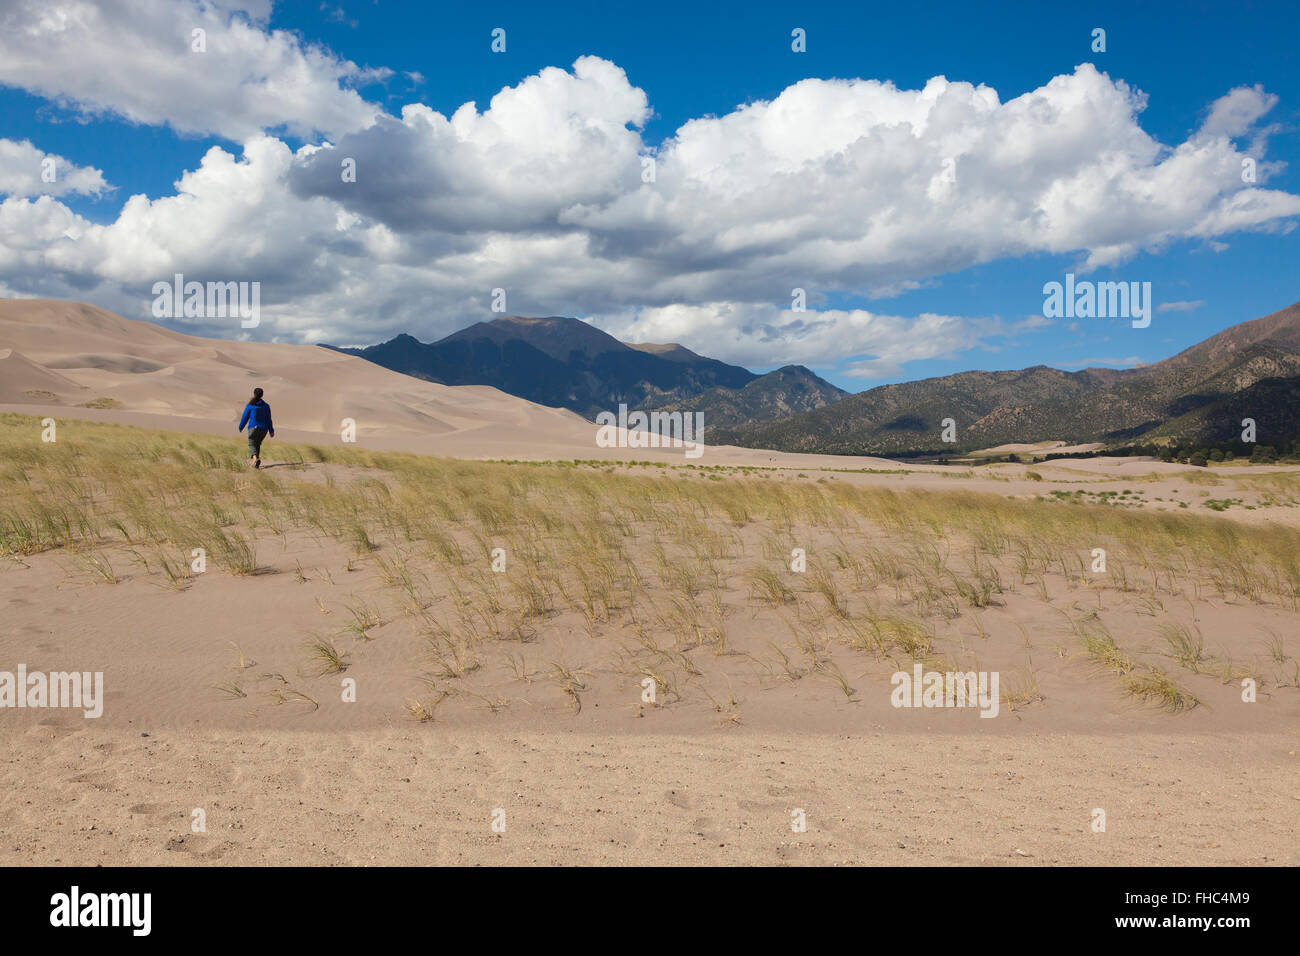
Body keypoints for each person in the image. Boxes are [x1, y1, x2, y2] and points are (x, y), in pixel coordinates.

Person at [238, 387, 275, 468]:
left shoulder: (250, 405)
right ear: (262, 395)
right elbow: (269, 419)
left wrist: (241, 427)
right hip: (264, 429)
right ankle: (256, 463)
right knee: (257, 444)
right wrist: (271, 431)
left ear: (254, 394)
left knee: (252, 443)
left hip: (253, 427)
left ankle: (255, 459)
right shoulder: (266, 406)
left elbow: (245, 417)